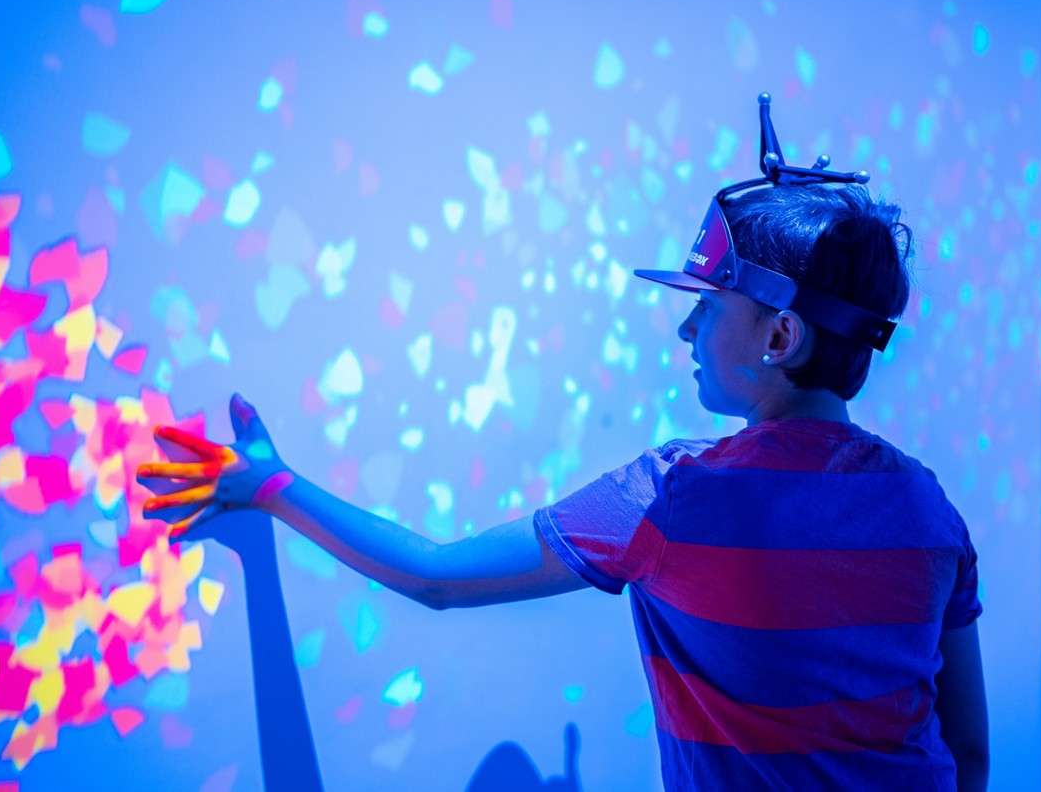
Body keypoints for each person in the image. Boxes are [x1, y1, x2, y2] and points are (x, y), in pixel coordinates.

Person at [138, 95, 988, 790]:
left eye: (708, 304)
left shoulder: (673, 497)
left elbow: (436, 576)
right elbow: (969, 759)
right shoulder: (930, 511)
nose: (686, 328)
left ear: (778, 337)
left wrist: (272, 487)